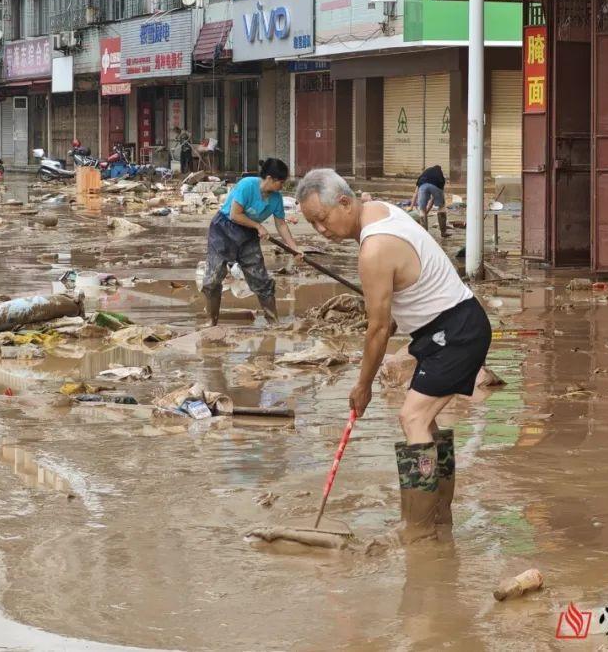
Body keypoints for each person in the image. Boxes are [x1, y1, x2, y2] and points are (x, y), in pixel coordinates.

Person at [296, 168, 491, 542]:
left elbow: (380, 328)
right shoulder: (376, 209)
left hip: (455, 331)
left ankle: (416, 530)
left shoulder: (374, 249)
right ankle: (439, 520)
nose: (321, 230)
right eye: (312, 224)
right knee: (426, 423)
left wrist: (363, 385)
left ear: (344, 202)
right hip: (446, 328)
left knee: (412, 418)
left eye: (322, 219)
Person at [202, 158, 302, 325]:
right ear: (269, 178)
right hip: (223, 229)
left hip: (248, 236)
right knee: (213, 279)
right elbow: (235, 214)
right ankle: (211, 321)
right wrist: (258, 226)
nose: (282, 187)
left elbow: (281, 225)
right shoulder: (247, 185)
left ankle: (273, 322)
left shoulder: (276, 198)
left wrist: (294, 249)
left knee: (261, 280)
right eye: (281, 182)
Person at [415, 164, 449, 237]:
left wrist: (424, 212)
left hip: (422, 186)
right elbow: (434, 198)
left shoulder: (423, 175)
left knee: (422, 210)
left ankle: (424, 234)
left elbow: (415, 193)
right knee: (441, 207)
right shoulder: (440, 176)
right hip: (436, 186)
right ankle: (443, 233)